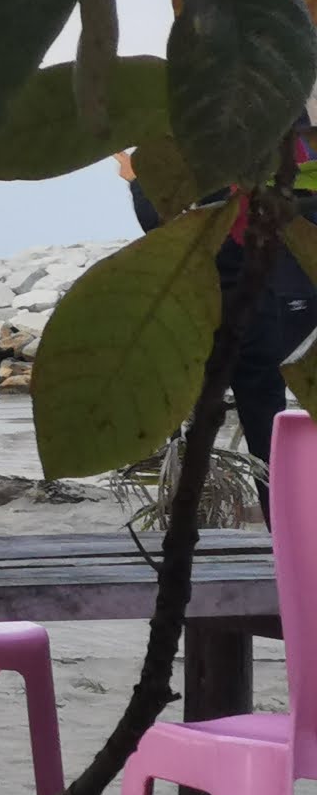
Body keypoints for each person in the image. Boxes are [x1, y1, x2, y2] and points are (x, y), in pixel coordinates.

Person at [127, 127, 317, 521]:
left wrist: (136, 181)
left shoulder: (210, 152)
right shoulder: (288, 148)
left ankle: (191, 527)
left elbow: (160, 220)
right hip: (276, 303)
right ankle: (286, 531)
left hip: (215, 309)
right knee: (269, 424)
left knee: (195, 423)